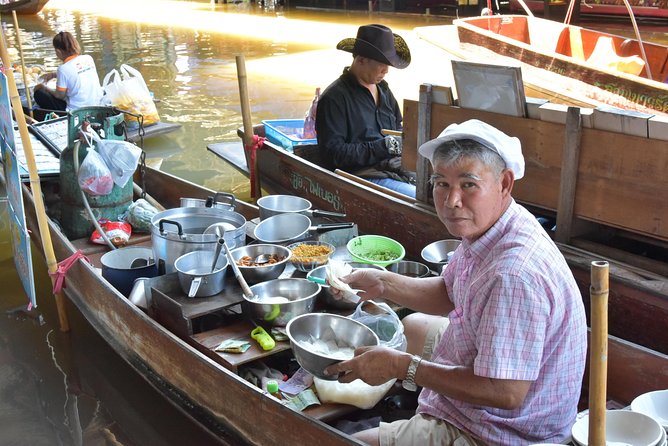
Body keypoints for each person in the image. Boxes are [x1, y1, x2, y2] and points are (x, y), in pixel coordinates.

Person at [325, 119, 588, 445]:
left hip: (504, 431)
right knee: (417, 326)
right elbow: (449, 292)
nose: (451, 202)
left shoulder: (513, 276)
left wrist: (401, 366)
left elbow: (504, 392)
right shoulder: (495, 224)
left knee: (346, 442)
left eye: (468, 184)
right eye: (441, 183)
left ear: (505, 183)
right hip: (491, 372)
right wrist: (382, 282)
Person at [315, 24, 416, 198]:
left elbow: (399, 127)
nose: (386, 71)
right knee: (419, 198)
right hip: (362, 176)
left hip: (397, 169)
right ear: (360, 60)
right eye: (382, 65)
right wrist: (382, 147)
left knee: (441, 188)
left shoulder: (384, 90)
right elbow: (332, 155)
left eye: (388, 65)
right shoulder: (334, 98)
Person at [33, 31, 103, 112]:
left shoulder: (63, 69)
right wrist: (54, 75)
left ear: (58, 51)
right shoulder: (88, 58)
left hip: (77, 110)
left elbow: (60, 96)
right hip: (96, 103)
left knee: (39, 94)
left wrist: (44, 87)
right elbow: (77, 74)